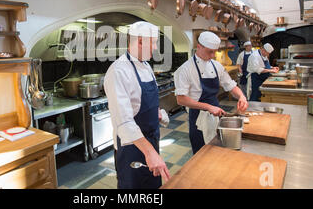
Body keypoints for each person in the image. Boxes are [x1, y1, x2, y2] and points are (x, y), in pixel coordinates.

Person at [104, 21, 170, 189]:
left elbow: (143, 103)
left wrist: (158, 113)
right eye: (153, 42)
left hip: (151, 141)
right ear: (140, 41)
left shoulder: (146, 66)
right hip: (132, 147)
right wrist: (150, 152)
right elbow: (124, 123)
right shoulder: (118, 71)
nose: (155, 48)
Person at [174, 31, 248, 154]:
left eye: (215, 51)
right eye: (210, 51)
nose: (213, 55)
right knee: (201, 152)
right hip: (198, 116)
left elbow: (230, 86)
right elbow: (181, 99)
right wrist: (208, 107)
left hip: (216, 113)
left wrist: (241, 96)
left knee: (217, 149)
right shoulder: (185, 69)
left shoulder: (216, 66)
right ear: (199, 46)